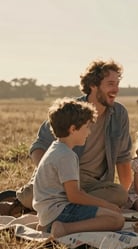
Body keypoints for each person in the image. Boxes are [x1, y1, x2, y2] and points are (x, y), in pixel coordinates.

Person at [16, 59, 132, 210]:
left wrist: (126, 196)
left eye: (117, 84)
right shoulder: (70, 110)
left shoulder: (119, 114)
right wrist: (50, 177)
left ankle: (62, 207)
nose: (116, 89)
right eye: (110, 84)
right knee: (30, 196)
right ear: (93, 85)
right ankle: (76, 205)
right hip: (60, 178)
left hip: (93, 183)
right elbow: (39, 147)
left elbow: (123, 157)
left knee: (119, 195)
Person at [33, 98, 124, 238]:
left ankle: (50, 225)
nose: (89, 132)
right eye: (87, 127)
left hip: (48, 212)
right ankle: (64, 228)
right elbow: (74, 196)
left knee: (107, 213)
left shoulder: (56, 148)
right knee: (117, 220)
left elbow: (75, 191)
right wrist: (106, 205)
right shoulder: (66, 155)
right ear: (73, 129)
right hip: (61, 211)